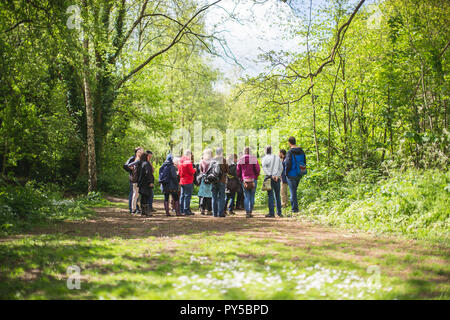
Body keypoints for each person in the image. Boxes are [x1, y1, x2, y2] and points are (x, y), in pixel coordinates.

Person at [237, 147, 260, 218]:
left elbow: (238, 171)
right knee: (252, 196)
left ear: (244, 152)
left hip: (245, 180)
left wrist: (241, 177)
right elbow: (257, 169)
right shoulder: (253, 159)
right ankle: (250, 211)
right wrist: (256, 176)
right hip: (253, 180)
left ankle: (247, 212)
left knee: (246, 196)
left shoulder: (241, 159)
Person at [285, 136, 306, 213]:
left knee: (292, 192)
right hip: (299, 173)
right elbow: (304, 162)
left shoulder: (289, 152)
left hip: (291, 174)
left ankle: (294, 209)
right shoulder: (301, 151)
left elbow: (288, 164)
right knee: (294, 191)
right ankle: (295, 208)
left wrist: (286, 173)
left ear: (289, 143)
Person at [262, 146, 283, 218]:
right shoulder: (277, 158)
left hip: (268, 178)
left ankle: (271, 213)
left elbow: (264, 168)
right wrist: (277, 175)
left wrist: (271, 175)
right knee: (277, 195)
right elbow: (281, 168)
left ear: (265, 151)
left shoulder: (264, 158)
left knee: (270, 195)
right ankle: (279, 212)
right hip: (277, 178)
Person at [123, 147, 143, 214]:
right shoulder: (132, 158)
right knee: (133, 193)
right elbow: (125, 165)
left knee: (136, 194)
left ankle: (136, 208)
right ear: (137, 152)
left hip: (138, 179)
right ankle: (132, 209)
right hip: (133, 178)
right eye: (140, 151)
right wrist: (131, 169)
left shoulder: (140, 159)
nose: (141, 153)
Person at [211, 147, 228, 218]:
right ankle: (220, 213)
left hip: (213, 180)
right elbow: (227, 169)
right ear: (221, 152)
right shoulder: (223, 160)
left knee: (214, 197)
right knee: (221, 197)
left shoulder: (212, 160)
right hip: (222, 180)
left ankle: (214, 213)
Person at [178, 150, 196, 216]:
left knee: (182, 196)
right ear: (189, 154)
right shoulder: (188, 161)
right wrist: (194, 170)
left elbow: (179, 172)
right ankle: (186, 210)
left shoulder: (180, 161)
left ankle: (181, 209)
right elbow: (191, 171)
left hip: (182, 180)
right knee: (187, 196)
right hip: (188, 180)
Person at [138, 152, 154, 216]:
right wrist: (150, 182)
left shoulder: (141, 163)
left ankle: (143, 211)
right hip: (146, 183)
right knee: (146, 197)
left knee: (143, 197)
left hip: (142, 183)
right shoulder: (146, 164)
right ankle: (146, 211)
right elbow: (148, 173)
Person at [198, 149, 213, 215]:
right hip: (210, 179)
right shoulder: (212, 161)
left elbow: (200, 170)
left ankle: (202, 209)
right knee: (209, 195)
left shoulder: (202, 161)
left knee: (203, 195)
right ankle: (209, 210)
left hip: (203, 179)